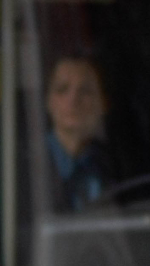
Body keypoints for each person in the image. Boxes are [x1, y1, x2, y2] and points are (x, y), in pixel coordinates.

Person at [45, 54, 113, 210]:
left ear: (103, 103)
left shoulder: (116, 164)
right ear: (48, 101)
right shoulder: (26, 165)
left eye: (85, 90)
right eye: (62, 89)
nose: (73, 100)